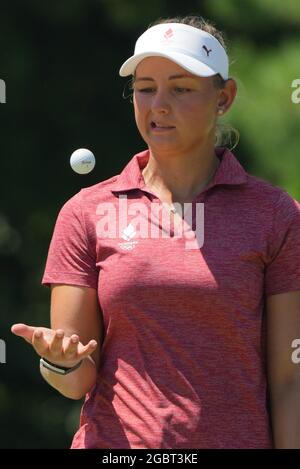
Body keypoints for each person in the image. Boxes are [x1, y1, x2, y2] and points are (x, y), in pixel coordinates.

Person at [11, 15, 300, 449]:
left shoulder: (275, 214)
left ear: (224, 97)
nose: (158, 104)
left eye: (180, 88)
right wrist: (60, 362)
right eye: (145, 88)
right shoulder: (86, 211)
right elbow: (76, 381)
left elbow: (290, 379)